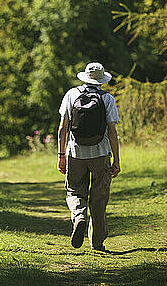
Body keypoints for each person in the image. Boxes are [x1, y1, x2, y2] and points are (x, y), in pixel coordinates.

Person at [57, 62, 120, 251]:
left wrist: (61, 155)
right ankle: (97, 242)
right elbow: (112, 132)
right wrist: (116, 160)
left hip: (75, 153)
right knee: (99, 198)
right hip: (100, 155)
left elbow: (62, 129)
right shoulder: (107, 98)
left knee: (75, 191)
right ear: (101, 80)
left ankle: (79, 216)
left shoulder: (71, 95)